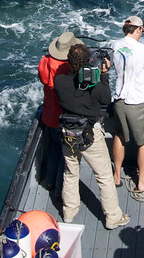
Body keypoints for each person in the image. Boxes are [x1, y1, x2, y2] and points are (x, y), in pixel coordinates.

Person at [54, 43, 130, 230]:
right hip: (90, 135)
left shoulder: (59, 81)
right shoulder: (93, 85)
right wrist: (103, 75)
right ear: (88, 61)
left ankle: (69, 212)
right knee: (103, 176)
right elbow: (105, 99)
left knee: (70, 173)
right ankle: (113, 217)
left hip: (68, 134)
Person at [110, 15, 144, 200]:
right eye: (142, 30)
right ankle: (141, 181)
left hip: (119, 100)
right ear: (139, 29)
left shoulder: (115, 46)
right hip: (139, 103)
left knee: (120, 135)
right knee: (143, 142)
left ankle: (116, 176)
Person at [36, 31, 81, 202]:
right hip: (64, 118)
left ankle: (48, 180)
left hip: (49, 114)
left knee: (55, 148)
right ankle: (60, 191)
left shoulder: (45, 61)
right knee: (66, 155)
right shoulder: (66, 69)